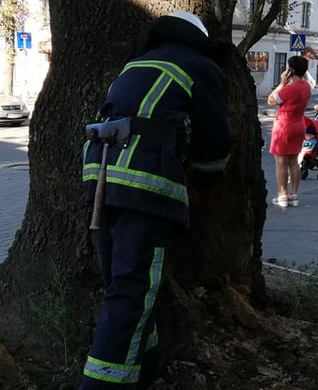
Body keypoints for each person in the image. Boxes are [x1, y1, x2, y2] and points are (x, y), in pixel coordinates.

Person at [80, 10, 230, 390]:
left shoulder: (135, 64)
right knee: (133, 289)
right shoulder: (201, 65)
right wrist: (208, 178)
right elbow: (213, 145)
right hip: (144, 184)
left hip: (99, 178)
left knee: (124, 282)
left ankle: (146, 368)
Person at [267, 55, 311, 208]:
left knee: (281, 162)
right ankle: (294, 195)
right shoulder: (306, 86)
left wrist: (281, 83)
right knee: (293, 162)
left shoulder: (290, 89)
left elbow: (271, 100)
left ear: (290, 70)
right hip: (299, 125)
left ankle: (282, 195)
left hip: (284, 127)